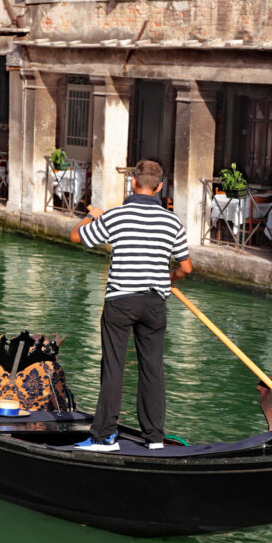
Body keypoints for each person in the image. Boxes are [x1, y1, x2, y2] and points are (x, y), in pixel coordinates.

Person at [69, 159, 192, 452]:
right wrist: (170, 278)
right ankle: (154, 438)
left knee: (114, 367)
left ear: (132, 183)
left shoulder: (116, 217)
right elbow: (186, 268)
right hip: (154, 302)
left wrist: (92, 217)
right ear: (160, 187)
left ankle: (104, 436)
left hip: (121, 301)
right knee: (152, 369)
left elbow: (76, 237)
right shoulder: (172, 222)